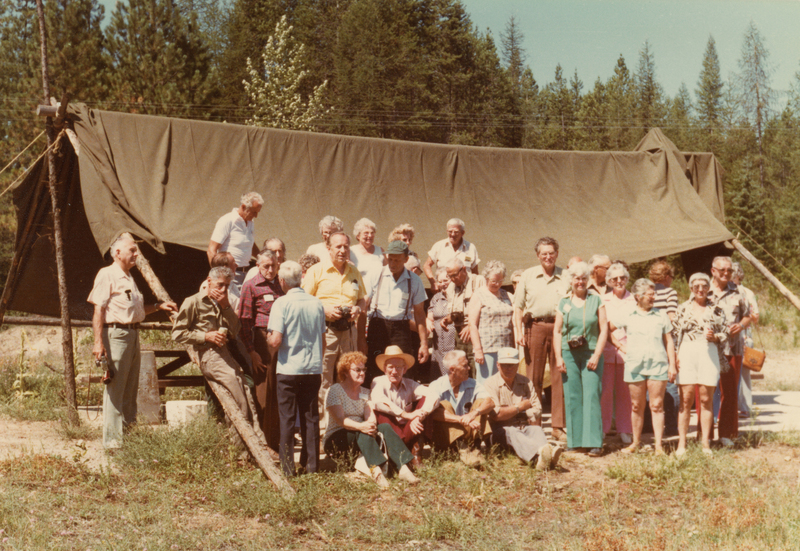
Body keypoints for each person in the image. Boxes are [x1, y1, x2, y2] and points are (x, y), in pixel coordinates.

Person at [88, 234, 177, 450]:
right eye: (132, 250)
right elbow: (99, 310)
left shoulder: (129, 277)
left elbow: (133, 311)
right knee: (116, 389)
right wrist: (98, 342)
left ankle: (129, 439)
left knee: (130, 389)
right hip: (116, 335)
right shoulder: (107, 274)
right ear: (117, 253)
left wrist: (157, 307)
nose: (136, 255)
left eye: (136, 251)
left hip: (133, 334)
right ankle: (112, 443)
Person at [172, 266, 263, 446]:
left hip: (225, 353)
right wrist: (205, 336)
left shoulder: (223, 303)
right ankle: (241, 450)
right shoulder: (193, 302)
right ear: (209, 281)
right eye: (219, 285)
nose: (222, 290)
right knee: (238, 398)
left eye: (227, 286)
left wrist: (226, 307)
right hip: (208, 354)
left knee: (246, 392)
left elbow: (235, 329)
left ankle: (259, 443)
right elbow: (177, 333)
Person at [266, 261, 327, 476]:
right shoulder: (316, 303)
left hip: (289, 368)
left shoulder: (281, 304)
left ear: (282, 281)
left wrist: (268, 340)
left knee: (287, 418)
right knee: (311, 418)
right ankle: (312, 466)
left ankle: (287, 468)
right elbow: (322, 338)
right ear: (301, 279)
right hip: (311, 368)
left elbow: (275, 341)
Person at [324, 351, 419, 487]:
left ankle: (403, 467)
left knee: (384, 427)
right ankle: (377, 473)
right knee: (363, 430)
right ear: (345, 372)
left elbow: (370, 416)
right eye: (357, 370)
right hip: (337, 438)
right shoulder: (335, 390)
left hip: (359, 435)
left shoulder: (365, 392)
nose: (362, 373)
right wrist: (362, 426)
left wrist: (370, 425)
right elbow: (341, 420)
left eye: (363, 370)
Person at [302, 232, 367, 420]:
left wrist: (357, 309)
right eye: (338, 246)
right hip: (325, 331)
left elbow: (363, 300)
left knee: (348, 377)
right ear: (328, 249)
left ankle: (346, 423)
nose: (342, 250)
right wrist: (325, 310)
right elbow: (305, 300)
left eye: (346, 246)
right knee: (323, 378)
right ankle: (324, 427)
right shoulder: (316, 270)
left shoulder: (354, 272)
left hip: (349, 332)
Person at [610, 278, 677, 456]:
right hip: (635, 365)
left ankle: (658, 447)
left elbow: (669, 341)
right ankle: (636, 442)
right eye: (650, 294)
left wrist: (672, 365)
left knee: (656, 405)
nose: (653, 297)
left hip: (658, 365)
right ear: (638, 296)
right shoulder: (628, 314)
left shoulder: (661, 315)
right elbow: (606, 330)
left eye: (654, 293)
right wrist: (621, 347)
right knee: (636, 406)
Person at [512, 236, 569, 443]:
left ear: (557, 253)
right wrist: (518, 332)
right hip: (534, 327)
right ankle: (535, 424)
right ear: (538, 255)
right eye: (543, 253)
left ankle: (557, 426)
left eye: (551, 253)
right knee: (532, 377)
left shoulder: (566, 276)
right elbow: (517, 307)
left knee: (558, 377)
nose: (548, 256)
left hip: (559, 328)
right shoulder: (528, 275)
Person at [553, 262, 608, 456]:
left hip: (591, 353)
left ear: (588, 280)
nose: (580, 282)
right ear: (571, 280)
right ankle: (574, 441)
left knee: (592, 394)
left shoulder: (596, 300)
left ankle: (594, 442)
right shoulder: (563, 302)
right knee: (572, 394)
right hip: (569, 353)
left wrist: (597, 354)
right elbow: (557, 331)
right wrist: (559, 357)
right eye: (576, 278)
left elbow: (604, 329)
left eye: (584, 278)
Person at [674, 273, 729, 456]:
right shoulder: (682, 308)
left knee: (706, 400)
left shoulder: (717, 309)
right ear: (690, 288)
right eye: (696, 286)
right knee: (686, 400)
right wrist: (673, 358)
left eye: (704, 286)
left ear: (708, 288)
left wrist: (716, 337)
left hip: (709, 353)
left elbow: (726, 332)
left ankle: (705, 443)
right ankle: (682, 444)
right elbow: (675, 336)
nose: (700, 289)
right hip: (687, 353)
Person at [363, 240, 429, 385]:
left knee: (403, 368)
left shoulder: (415, 280)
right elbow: (363, 306)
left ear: (406, 259)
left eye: (397, 260)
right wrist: (361, 338)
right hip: (377, 326)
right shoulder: (376, 274)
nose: (392, 263)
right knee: (374, 369)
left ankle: (403, 404)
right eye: (390, 259)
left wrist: (423, 343)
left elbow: (419, 315)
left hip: (401, 329)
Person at [484, 348, 561, 470]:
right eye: (505, 365)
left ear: (518, 365)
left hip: (523, 427)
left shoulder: (525, 382)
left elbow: (537, 410)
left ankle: (544, 458)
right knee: (512, 431)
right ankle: (540, 456)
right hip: (499, 432)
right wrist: (520, 407)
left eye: (513, 365)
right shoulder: (490, 384)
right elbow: (497, 416)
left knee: (536, 429)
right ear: (498, 365)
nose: (509, 368)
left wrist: (515, 412)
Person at [238, 250, 284, 450]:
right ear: (258, 266)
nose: (271, 270)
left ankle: (279, 438)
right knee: (264, 390)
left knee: (280, 390)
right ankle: (266, 440)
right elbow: (245, 321)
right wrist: (252, 352)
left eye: (274, 265)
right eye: (266, 266)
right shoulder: (251, 286)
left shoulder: (281, 285)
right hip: (262, 341)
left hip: (282, 341)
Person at [370, 345, 438, 467]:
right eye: (390, 367)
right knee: (380, 410)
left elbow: (434, 394)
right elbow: (378, 401)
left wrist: (419, 416)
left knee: (425, 401)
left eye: (398, 367)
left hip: (408, 430)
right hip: (390, 432)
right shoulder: (378, 381)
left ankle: (416, 453)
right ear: (385, 369)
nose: (394, 371)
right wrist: (406, 414)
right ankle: (398, 455)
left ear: (405, 369)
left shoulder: (410, 383)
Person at [708, 256, 751, 446]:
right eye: (722, 270)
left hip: (732, 348)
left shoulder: (739, 292)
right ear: (713, 271)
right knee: (705, 391)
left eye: (729, 270)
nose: (726, 273)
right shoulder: (702, 289)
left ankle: (727, 434)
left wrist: (741, 326)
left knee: (730, 392)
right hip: (707, 350)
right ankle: (705, 436)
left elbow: (748, 316)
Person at [429, 350, 494, 467]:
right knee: (444, 405)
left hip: (467, 433)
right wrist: (459, 419)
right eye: (465, 366)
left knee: (481, 402)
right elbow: (431, 412)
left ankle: (476, 449)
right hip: (445, 437)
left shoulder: (472, 383)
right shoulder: (436, 386)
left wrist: (473, 414)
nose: (469, 368)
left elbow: (490, 402)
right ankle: (462, 450)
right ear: (452, 369)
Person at [600, 263, 635, 445]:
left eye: (622, 277)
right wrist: (617, 345)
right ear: (608, 281)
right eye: (614, 279)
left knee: (625, 393)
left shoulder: (635, 300)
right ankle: (604, 429)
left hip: (629, 352)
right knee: (605, 392)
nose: (619, 281)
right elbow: (602, 327)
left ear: (627, 279)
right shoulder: (602, 299)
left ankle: (625, 429)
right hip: (607, 350)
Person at [468, 260, 515, 385]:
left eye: (500, 281)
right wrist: (478, 350)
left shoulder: (507, 295)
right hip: (487, 348)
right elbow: (472, 324)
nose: (497, 284)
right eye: (493, 281)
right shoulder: (478, 295)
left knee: (505, 382)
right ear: (486, 278)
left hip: (506, 348)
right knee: (487, 383)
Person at [648, 259, 680, 436]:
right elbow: (672, 317)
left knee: (649, 381)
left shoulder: (648, 291)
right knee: (670, 383)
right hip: (665, 339)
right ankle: (672, 424)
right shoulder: (670, 293)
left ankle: (648, 423)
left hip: (649, 340)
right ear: (667, 277)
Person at [207, 192, 264, 290]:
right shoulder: (227, 220)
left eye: (258, 212)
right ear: (243, 206)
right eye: (254, 212)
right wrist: (218, 276)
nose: (256, 216)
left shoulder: (250, 223)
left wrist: (264, 258)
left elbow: (250, 244)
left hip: (247, 274)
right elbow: (211, 250)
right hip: (230, 275)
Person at [440, 258, 486, 374]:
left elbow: (486, 309)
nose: (452, 279)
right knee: (462, 367)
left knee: (476, 366)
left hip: (476, 332)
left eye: (454, 275)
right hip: (459, 334)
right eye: (449, 276)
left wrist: (471, 326)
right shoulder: (451, 287)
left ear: (464, 269)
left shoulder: (478, 281)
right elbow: (454, 311)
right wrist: (447, 319)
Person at [732, 262, 759, 417]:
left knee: (743, 374)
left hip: (744, 338)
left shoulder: (746, 292)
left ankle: (744, 407)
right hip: (732, 338)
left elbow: (755, 317)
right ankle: (738, 407)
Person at [423, 218, 480, 291]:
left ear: (462, 233)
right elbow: (426, 265)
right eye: (450, 231)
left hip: (465, 290)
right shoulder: (439, 246)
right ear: (447, 231)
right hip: (444, 290)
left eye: (456, 232)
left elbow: (475, 272)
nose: (452, 234)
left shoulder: (470, 248)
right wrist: (433, 283)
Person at [427, 268, 457, 378]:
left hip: (453, 345)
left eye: (445, 280)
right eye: (440, 281)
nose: (443, 284)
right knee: (438, 377)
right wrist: (428, 322)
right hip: (438, 346)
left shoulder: (457, 296)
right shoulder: (436, 298)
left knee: (453, 376)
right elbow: (430, 315)